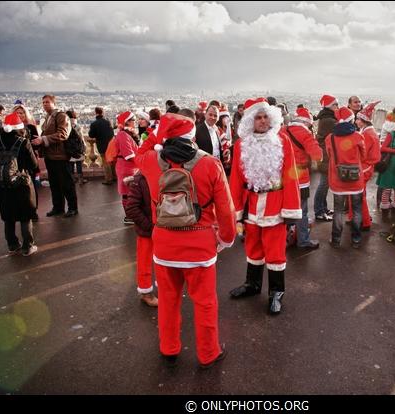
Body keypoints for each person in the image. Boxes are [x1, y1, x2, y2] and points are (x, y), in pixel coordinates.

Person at [134, 111, 236, 369]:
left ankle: (169, 348)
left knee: (168, 300)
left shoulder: (150, 161)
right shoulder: (210, 164)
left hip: (165, 245)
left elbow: (140, 150)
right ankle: (208, 352)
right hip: (200, 246)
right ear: (192, 136)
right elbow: (225, 210)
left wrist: (157, 134)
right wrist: (225, 238)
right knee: (205, 302)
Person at [229, 98, 301, 315]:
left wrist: (291, 212)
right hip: (251, 205)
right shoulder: (241, 145)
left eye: (265, 117)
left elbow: (291, 176)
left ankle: (276, 292)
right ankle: (253, 285)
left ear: (271, 118)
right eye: (257, 117)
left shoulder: (282, 140)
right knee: (253, 248)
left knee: (275, 251)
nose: (262, 121)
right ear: (251, 121)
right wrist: (237, 211)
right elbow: (236, 179)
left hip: (275, 207)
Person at [0, 112, 39, 256]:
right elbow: (33, 164)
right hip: (21, 183)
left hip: (3, 184)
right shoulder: (23, 142)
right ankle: (28, 247)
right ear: (19, 127)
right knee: (25, 215)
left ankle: (12, 244)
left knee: (8, 216)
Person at [326, 106, 366, 248]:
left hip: (338, 180)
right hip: (356, 181)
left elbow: (330, 155)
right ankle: (356, 239)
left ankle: (336, 239)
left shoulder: (329, 138)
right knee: (356, 210)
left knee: (338, 210)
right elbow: (364, 155)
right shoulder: (358, 136)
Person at [31, 95, 77, 217]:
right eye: (43, 102)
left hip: (60, 156)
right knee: (55, 184)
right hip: (50, 155)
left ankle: (72, 208)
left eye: (47, 102)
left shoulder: (61, 116)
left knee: (66, 184)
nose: (45, 104)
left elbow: (63, 134)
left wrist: (43, 139)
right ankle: (58, 207)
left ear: (54, 103)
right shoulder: (48, 117)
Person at [285, 106, 323, 249]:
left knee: (287, 209)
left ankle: (286, 238)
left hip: (284, 177)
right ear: (307, 122)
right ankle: (303, 241)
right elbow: (317, 155)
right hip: (300, 179)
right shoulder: (305, 134)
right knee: (302, 210)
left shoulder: (284, 130)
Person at [123, 171, 158, 307]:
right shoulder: (140, 180)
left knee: (163, 261)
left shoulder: (165, 173)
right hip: (148, 230)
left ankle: (164, 289)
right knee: (145, 262)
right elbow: (131, 208)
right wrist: (149, 226)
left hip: (161, 229)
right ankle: (146, 293)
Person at [354, 101, 381, 230]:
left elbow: (362, 154)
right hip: (367, 167)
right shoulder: (370, 132)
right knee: (358, 194)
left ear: (363, 121)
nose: (356, 122)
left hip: (364, 167)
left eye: (358, 119)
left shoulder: (366, 134)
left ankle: (364, 221)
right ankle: (356, 217)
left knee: (359, 195)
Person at [13, 104, 41, 220]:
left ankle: (33, 210)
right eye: (17, 113)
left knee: (32, 186)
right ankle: (22, 210)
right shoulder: (10, 129)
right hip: (15, 162)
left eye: (22, 113)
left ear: (26, 114)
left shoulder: (31, 127)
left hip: (29, 160)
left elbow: (36, 144)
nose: (19, 115)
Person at [314, 94, 339, 221]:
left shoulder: (326, 117)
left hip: (324, 154)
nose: (337, 107)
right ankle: (319, 211)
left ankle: (323, 208)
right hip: (326, 155)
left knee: (325, 183)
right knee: (324, 184)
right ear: (330, 106)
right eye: (335, 104)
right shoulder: (330, 120)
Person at [114, 111, 139, 225]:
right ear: (127, 122)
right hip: (127, 167)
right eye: (133, 119)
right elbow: (128, 154)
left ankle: (131, 215)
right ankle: (129, 216)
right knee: (128, 193)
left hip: (128, 167)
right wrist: (142, 161)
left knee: (129, 192)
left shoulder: (125, 133)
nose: (135, 121)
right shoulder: (123, 135)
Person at [88, 107, 115, 185]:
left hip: (101, 145)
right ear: (103, 113)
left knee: (106, 162)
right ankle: (114, 177)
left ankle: (109, 179)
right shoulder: (108, 122)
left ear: (95, 113)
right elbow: (112, 133)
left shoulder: (94, 124)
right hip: (111, 144)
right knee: (111, 161)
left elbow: (91, 135)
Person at [66, 110, 88, 185]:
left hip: (70, 148)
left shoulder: (66, 125)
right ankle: (80, 180)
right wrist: (84, 147)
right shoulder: (77, 126)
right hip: (78, 148)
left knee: (71, 165)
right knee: (79, 165)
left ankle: (72, 179)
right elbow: (81, 138)